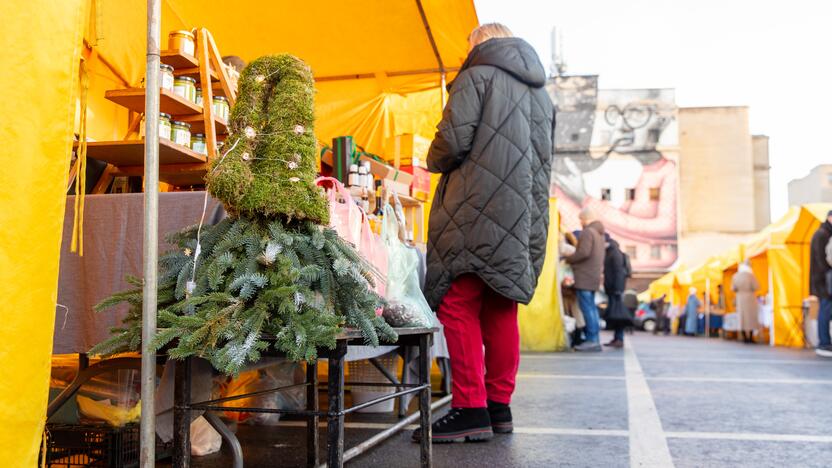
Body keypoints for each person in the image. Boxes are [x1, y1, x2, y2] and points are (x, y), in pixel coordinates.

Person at [418, 23, 555, 443]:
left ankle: (469, 408)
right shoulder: (542, 94)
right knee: (500, 306)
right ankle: (499, 407)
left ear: (477, 45)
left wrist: (431, 157)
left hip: (475, 206)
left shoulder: (476, 75)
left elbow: (451, 143)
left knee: (457, 304)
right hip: (522, 214)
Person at [565, 208, 606, 352]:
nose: (580, 222)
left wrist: (568, 259)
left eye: (581, 219)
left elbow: (583, 253)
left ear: (586, 219)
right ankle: (594, 339)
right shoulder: (599, 234)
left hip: (584, 276)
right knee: (592, 309)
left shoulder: (588, 232)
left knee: (587, 309)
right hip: (593, 276)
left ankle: (591, 340)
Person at [810, 211, 832, 357]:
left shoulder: (824, 232)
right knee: (825, 310)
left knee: (826, 310)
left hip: (824, 279)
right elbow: (820, 259)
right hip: (823, 280)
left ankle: (825, 342)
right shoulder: (822, 234)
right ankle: (823, 343)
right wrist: (828, 272)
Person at [603, 237, 631, 348]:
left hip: (615, 290)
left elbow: (619, 272)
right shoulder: (613, 252)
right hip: (614, 289)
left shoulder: (614, 254)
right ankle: (617, 338)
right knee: (615, 315)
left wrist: (618, 290)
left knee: (618, 315)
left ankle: (619, 338)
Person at [732, 262, 760, 343]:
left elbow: (733, 288)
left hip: (740, 299)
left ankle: (744, 338)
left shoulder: (735, 276)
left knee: (742, 318)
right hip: (750, 298)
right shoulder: (751, 276)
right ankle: (750, 337)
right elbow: (756, 287)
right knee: (751, 318)